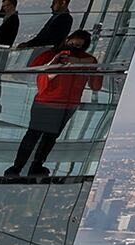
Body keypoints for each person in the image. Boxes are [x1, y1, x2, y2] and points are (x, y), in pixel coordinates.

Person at [9, 28, 102, 178]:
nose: (72, 49)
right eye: (72, 44)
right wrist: (55, 62)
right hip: (49, 102)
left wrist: (78, 61)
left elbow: (95, 83)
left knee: (48, 137)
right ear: (67, 40)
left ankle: (32, 166)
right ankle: (18, 167)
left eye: (78, 47)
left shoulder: (86, 60)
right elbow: (36, 69)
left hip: (65, 104)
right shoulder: (52, 55)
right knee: (34, 135)